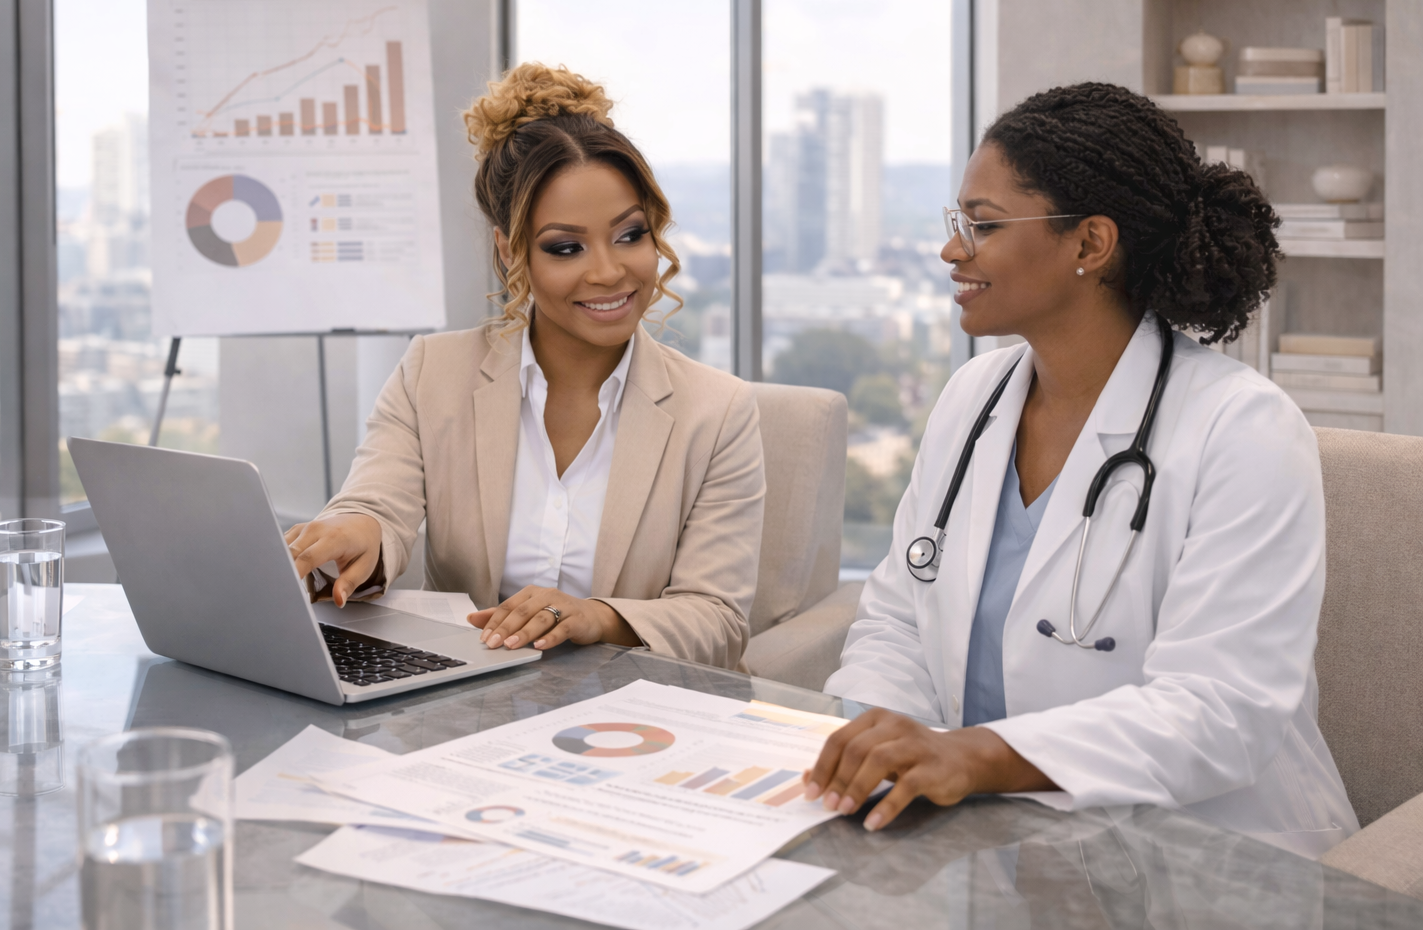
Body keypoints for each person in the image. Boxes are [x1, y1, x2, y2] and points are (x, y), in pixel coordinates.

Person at [809, 82, 1359, 858]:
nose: (951, 249)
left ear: (1089, 244)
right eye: (957, 221)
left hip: (1203, 858)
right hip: (986, 837)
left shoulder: (1244, 430)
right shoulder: (974, 398)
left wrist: (976, 757)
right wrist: (873, 742)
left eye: (984, 225)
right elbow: (897, 618)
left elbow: (1220, 710)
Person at [283, 63, 765, 670]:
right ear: (510, 251)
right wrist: (356, 531)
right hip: (466, 708)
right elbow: (379, 505)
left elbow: (717, 619)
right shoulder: (433, 371)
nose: (608, 271)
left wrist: (597, 616)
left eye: (630, 235)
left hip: (636, 719)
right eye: (566, 247)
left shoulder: (717, 411)